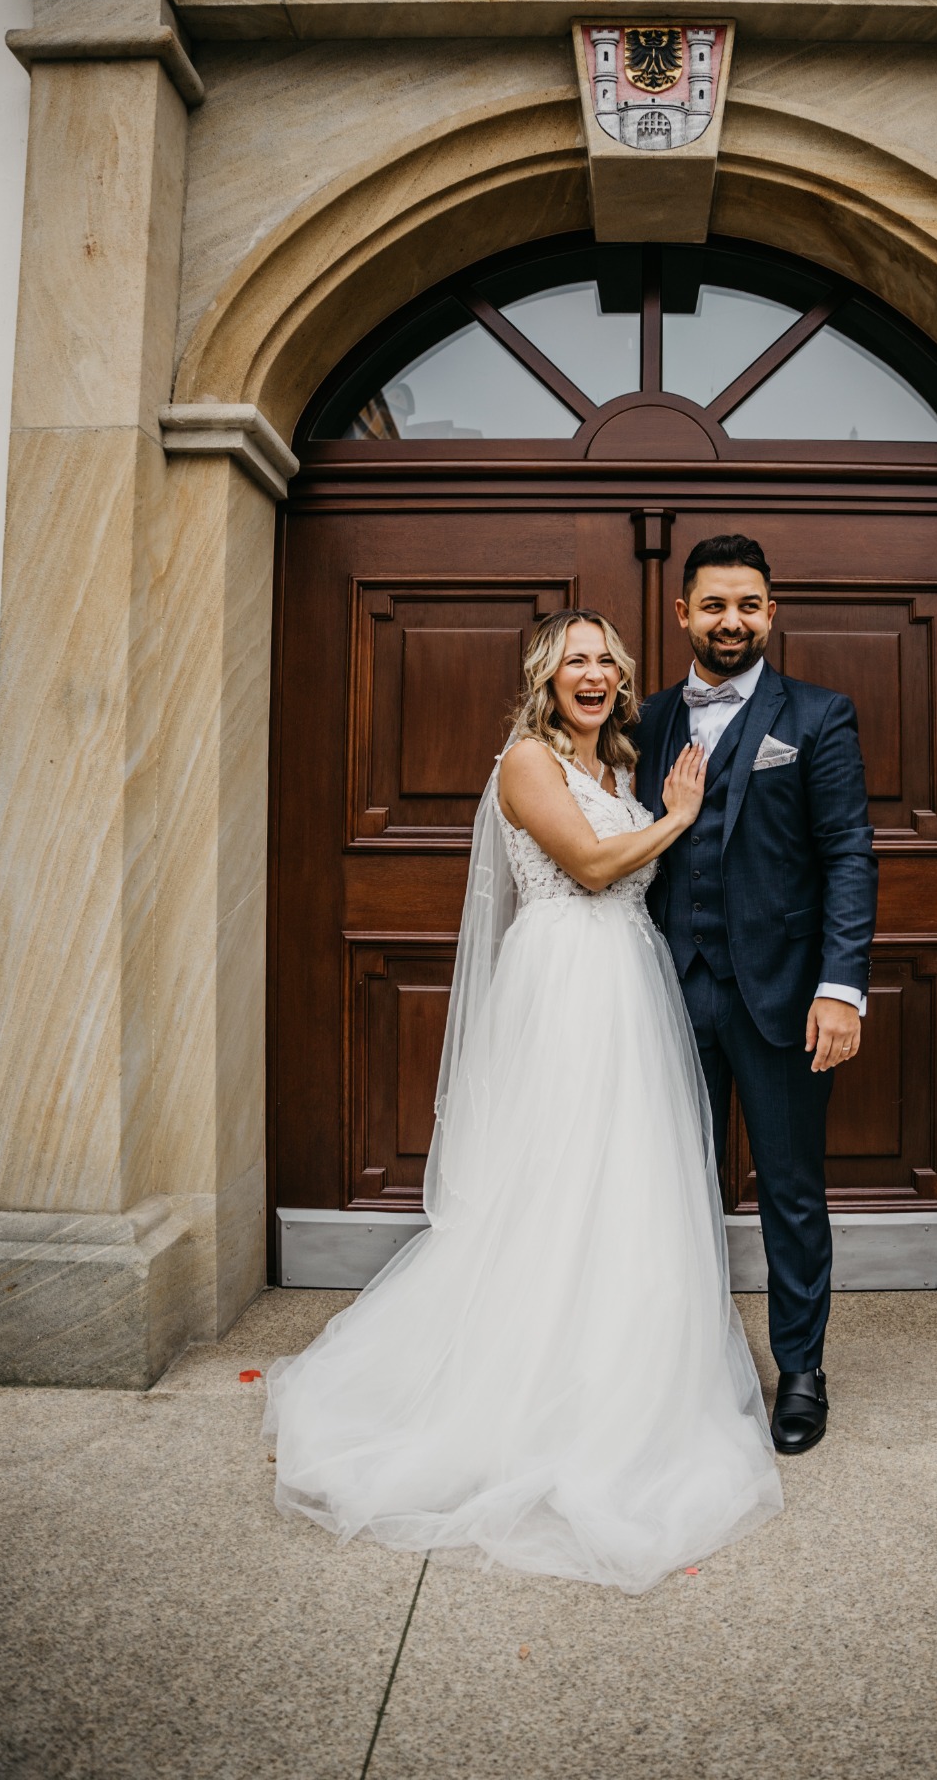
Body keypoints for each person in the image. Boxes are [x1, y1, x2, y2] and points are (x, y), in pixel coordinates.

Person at [264, 609, 782, 1594]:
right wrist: (678, 816)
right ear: (545, 677)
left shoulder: (616, 766)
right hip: (566, 981)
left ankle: (619, 1378)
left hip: (629, 980)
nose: (592, 674)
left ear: (621, 679)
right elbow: (589, 868)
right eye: (572, 661)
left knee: (624, 1182)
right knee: (557, 1177)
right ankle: (519, 1387)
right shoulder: (527, 763)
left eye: (605, 661)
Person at [635, 535, 878, 1455]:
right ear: (682, 614)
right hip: (666, 991)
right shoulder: (647, 719)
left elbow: (848, 854)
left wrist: (840, 988)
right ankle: (679, 1365)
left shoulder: (816, 716)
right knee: (666, 1186)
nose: (730, 621)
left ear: (770, 613)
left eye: (747, 605)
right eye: (713, 605)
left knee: (789, 1189)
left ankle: (800, 1371)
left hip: (779, 995)